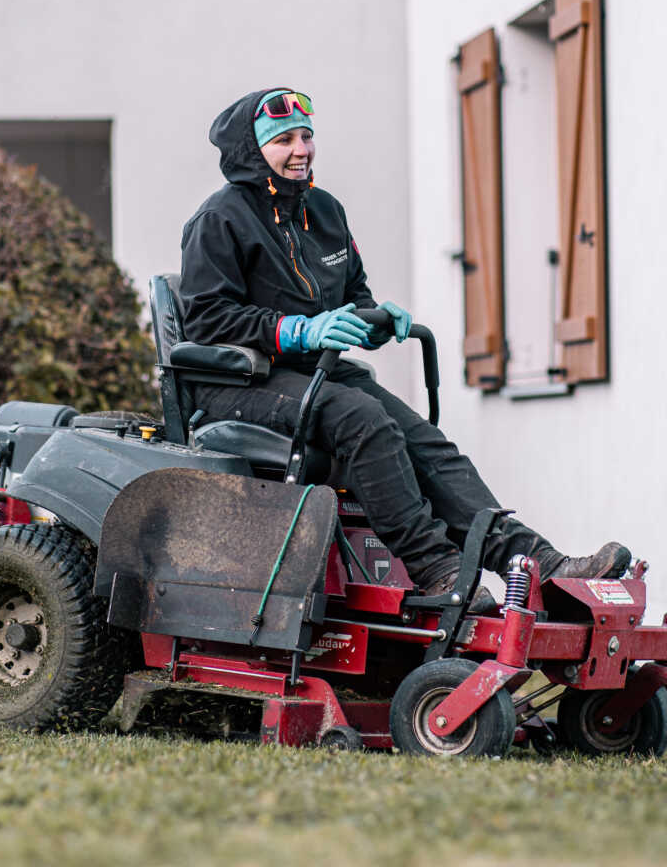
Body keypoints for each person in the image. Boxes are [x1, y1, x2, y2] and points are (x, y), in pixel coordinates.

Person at [177, 87, 630, 596]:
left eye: (307, 136)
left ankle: (532, 561)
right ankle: (439, 573)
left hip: (313, 371)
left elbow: (353, 293)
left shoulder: (324, 212)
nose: (302, 149)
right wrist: (297, 329)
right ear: (251, 152)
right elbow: (206, 320)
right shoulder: (219, 220)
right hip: (235, 382)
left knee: (426, 441)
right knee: (363, 421)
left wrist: (373, 319)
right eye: (284, 140)